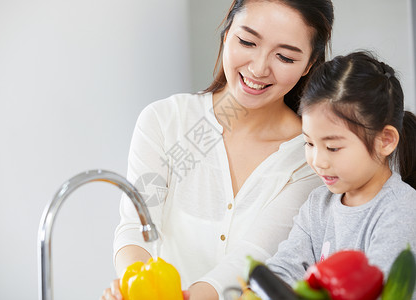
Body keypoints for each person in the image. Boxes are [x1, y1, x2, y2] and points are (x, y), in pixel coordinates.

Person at [101, 0, 334, 299]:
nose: (259, 67)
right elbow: (136, 226)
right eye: (247, 41)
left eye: (285, 57)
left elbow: (255, 255)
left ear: (309, 66)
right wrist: (135, 286)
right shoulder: (164, 121)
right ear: (226, 34)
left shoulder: (311, 157)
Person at [266, 51, 416, 296]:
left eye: (333, 147)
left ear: (385, 140)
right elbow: (285, 268)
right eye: (309, 144)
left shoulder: (401, 209)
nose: (318, 161)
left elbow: (378, 292)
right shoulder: (318, 204)